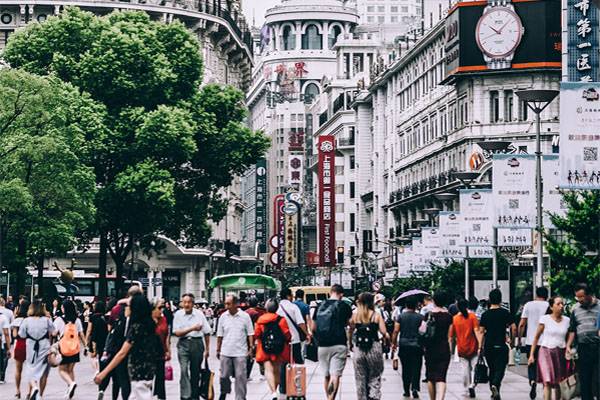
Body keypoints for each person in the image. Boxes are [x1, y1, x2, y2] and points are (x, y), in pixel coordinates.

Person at [95, 293, 162, 400]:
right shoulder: (149, 325)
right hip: (147, 372)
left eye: (129, 306)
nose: (126, 309)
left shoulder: (136, 328)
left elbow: (122, 353)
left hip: (138, 374)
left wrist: (104, 373)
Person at [312, 284, 353, 400]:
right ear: (341, 294)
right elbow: (352, 324)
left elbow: (313, 327)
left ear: (331, 292)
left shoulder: (320, 305)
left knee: (326, 375)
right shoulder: (344, 306)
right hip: (339, 343)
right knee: (335, 375)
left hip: (322, 345)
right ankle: (331, 399)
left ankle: (327, 398)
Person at [348, 292, 389, 400]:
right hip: (374, 347)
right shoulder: (376, 315)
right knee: (375, 376)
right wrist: (387, 341)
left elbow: (350, 330)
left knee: (360, 378)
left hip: (359, 348)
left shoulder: (355, 315)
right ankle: (374, 396)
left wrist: (350, 343)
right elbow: (384, 332)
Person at [478, 289, 517, 400]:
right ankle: (495, 385)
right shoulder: (505, 313)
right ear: (500, 299)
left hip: (489, 345)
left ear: (490, 300)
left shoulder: (485, 315)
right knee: (500, 369)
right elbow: (513, 328)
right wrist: (512, 341)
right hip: (501, 345)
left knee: (492, 368)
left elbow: (481, 332)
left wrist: (480, 346)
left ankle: (494, 390)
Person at [528, 296, 569, 400]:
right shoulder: (545, 319)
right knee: (547, 381)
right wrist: (532, 355)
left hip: (560, 351)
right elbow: (536, 337)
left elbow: (569, 337)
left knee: (559, 381)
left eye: (562, 304)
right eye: (558, 304)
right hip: (545, 351)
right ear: (551, 307)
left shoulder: (567, 321)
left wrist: (569, 349)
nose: (561, 306)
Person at [173, 293, 212, 400]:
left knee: (195, 371)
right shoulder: (178, 314)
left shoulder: (199, 314)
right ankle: (185, 396)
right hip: (183, 344)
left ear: (193, 304)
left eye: (188, 302)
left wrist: (207, 349)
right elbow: (176, 332)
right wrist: (192, 328)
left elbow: (207, 332)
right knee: (183, 369)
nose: (186, 305)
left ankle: (194, 395)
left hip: (197, 344)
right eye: (184, 302)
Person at [216, 294, 254, 400]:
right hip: (225, 351)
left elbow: (250, 333)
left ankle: (240, 397)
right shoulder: (223, 317)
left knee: (240, 377)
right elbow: (220, 334)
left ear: (236, 304)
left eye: (229, 304)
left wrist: (251, 348)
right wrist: (218, 349)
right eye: (226, 304)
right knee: (223, 376)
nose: (226, 306)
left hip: (240, 352)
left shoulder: (245, 316)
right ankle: (224, 392)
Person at [566, 283, 600, 400]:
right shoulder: (575, 309)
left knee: (598, 380)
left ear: (589, 295)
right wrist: (568, 346)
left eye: (582, 297)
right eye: (577, 297)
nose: (579, 300)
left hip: (598, 347)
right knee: (585, 380)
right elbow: (572, 329)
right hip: (583, 348)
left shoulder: (599, 306)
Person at [254, 298, 292, 400]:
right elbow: (287, 335)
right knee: (277, 370)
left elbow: (257, 334)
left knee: (268, 370)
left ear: (266, 307)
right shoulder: (281, 319)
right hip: (279, 349)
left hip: (264, 348)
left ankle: (273, 392)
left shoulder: (260, 320)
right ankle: (275, 391)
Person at [18, 300, 55, 400]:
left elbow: (21, 334)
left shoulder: (26, 320)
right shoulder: (47, 320)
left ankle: (34, 387)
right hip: (45, 348)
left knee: (30, 369)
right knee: (44, 373)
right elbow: (54, 332)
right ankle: (40, 396)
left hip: (31, 348)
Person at [518, 286, 549, 399]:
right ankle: (544, 384)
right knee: (544, 365)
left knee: (531, 363)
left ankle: (532, 380)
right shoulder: (548, 306)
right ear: (546, 295)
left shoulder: (528, 305)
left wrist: (519, 339)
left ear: (536, 294)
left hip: (531, 341)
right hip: (545, 341)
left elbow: (522, 324)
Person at [448, 298, 481, 399]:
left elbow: (451, 337)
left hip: (462, 348)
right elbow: (477, 331)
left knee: (465, 369)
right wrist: (480, 345)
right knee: (474, 368)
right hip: (473, 347)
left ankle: (467, 388)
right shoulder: (472, 317)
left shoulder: (455, 319)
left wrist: (450, 350)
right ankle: (472, 385)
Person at [423, 291, 453, 400]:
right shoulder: (449, 316)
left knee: (431, 377)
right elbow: (450, 336)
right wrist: (450, 350)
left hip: (430, 349)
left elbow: (422, 332)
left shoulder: (428, 315)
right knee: (441, 377)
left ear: (434, 301)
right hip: (443, 348)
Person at [391, 297, 424, 399]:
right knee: (416, 367)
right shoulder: (421, 317)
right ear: (415, 306)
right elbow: (423, 332)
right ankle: (414, 387)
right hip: (417, 345)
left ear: (406, 305)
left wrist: (393, 343)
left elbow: (396, 331)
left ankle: (406, 390)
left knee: (406, 368)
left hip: (404, 345)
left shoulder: (400, 317)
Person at [53, 299, 86, 398]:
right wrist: (86, 347)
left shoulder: (59, 320)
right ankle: (70, 389)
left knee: (61, 370)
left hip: (63, 347)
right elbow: (81, 334)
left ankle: (71, 384)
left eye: (62, 307)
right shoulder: (77, 320)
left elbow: (54, 333)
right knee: (70, 370)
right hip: (75, 348)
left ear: (65, 308)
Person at [152, 298, 171, 400]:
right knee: (149, 379)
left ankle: (161, 397)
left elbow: (167, 335)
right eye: (159, 308)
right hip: (149, 353)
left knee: (160, 378)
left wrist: (168, 350)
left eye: (162, 307)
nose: (161, 310)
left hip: (161, 352)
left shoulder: (163, 319)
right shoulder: (148, 321)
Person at [11, 300, 30, 399]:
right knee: (31, 370)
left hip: (20, 344)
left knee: (18, 370)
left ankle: (18, 390)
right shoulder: (31, 319)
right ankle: (30, 392)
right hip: (30, 345)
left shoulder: (17, 320)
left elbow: (14, 335)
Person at [0, 296, 13, 383]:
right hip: (4, 339)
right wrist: (9, 347)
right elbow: (11, 327)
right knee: (4, 357)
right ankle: (2, 375)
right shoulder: (9, 313)